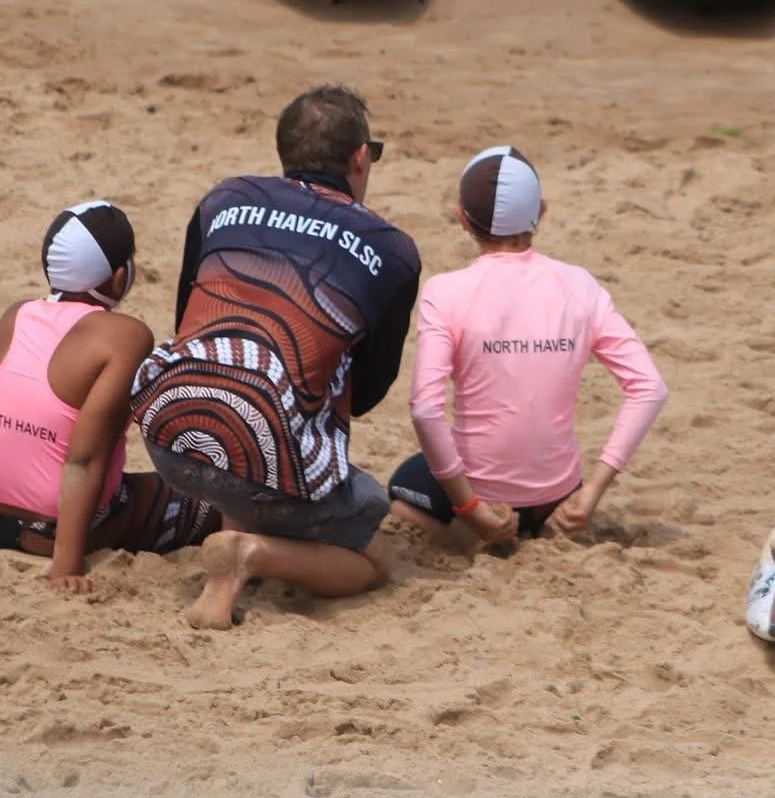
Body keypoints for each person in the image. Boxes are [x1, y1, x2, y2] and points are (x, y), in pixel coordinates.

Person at [131, 85, 422, 629]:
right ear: (360, 158)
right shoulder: (392, 249)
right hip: (262, 461)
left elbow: (186, 323)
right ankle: (249, 555)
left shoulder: (224, 198)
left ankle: (240, 529)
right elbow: (372, 390)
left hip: (170, 435)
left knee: (248, 384)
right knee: (375, 552)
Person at [387, 145, 668, 546]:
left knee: (403, 486)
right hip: (558, 499)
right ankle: (544, 514)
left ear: (462, 219)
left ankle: (469, 530)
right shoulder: (579, 284)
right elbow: (650, 388)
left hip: (482, 499)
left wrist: (468, 508)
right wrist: (592, 492)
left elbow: (425, 410)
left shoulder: (444, 292)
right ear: (543, 212)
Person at [0, 201, 222, 591]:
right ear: (119, 278)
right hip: (62, 523)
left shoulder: (15, 315)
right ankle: (51, 541)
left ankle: (30, 534)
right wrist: (67, 566)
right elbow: (84, 457)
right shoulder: (125, 337)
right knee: (213, 497)